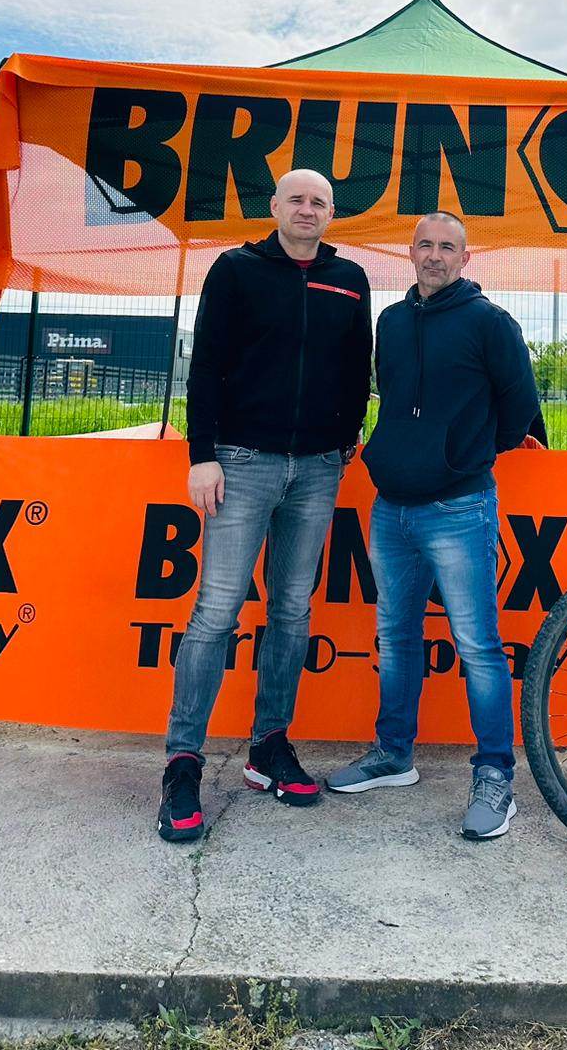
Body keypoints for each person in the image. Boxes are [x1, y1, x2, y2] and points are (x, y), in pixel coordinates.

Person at [157, 169, 372, 842]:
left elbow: (356, 366)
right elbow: (205, 365)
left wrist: (345, 437)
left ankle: (269, 746)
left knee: (292, 611)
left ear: (331, 214)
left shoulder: (350, 279)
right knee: (215, 611)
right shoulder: (235, 270)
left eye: (319, 202)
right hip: (240, 462)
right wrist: (201, 453)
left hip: (317, 469)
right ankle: (183, 763)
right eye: (296, 199)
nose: (307, 210)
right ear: (274, 205)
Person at [326, 210, 544, 840]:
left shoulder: (490, 323)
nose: (435, 256)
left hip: (459, 508)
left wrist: (462, 457)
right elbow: (389, 396)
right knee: (395, 638)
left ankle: (495, 776)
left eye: (448, 247)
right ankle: (393, 755)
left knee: (478, 647)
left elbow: (519, 410)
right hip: (391, 507)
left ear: (465, 258)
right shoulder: (391, 322)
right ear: (411, 251)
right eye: (425, 245)